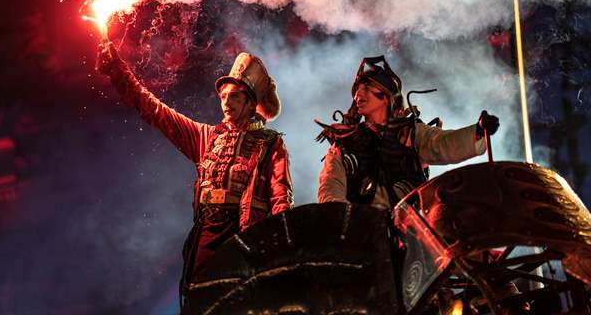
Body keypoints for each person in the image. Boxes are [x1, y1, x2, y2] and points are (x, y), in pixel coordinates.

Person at [96, 42, 294, 308]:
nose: (226, 102)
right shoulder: (206, 137)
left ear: (250, 102)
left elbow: (280, 195)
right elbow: (156, 111)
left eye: (234, 96)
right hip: (209, 231)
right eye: (223, 97)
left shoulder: (270, 143)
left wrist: (279, 242)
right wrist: (118, 71)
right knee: (200, 301)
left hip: (247, 232)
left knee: (242, 303)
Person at [316, 55, 499, 210]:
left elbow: (443, 144)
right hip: (361, 235)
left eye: (366, 87)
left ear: (386, 96)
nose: (358, 95)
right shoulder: (344, 143)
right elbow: (330, 187)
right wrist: (344, 221)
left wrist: (478, 131)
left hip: (406, 230)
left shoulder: (410, 133)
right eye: (357, 90)